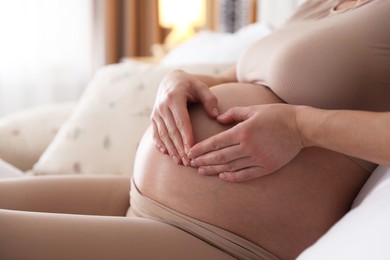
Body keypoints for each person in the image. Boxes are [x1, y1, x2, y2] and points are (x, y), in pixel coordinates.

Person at [1, 0, 389, 259]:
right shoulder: (319, 5)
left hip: (219, 240)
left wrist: (302, 127)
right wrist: (177, 79)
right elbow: (236, 76)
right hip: (138, 198)